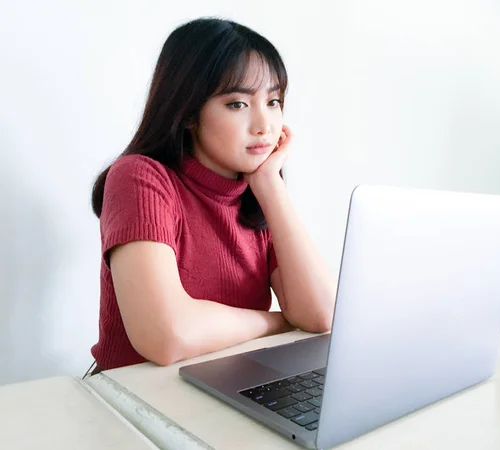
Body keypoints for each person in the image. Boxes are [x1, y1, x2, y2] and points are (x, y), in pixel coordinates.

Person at [87, 17, 335, 374]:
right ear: (189, 112)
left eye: (274, 101)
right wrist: (276, 322)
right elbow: (167, 335)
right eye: (238, 104)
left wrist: (269, 185)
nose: (264, 125)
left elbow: (321, 314)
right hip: (137, 402)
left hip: (229, 389)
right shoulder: (141, 178)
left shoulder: (259, 198)